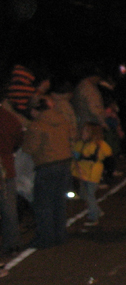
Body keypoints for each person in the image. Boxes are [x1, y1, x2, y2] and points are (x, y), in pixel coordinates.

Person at [22, 78, 78, 249]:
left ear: (34, 110)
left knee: (43, 204)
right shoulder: (62, 120)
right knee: (59, 203)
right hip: (64, 163)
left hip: (47, 166)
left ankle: (45, 238)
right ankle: (60, 235)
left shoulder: (37, 126)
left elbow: (29, 149)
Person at [71, 122, 113, 227]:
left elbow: (108, 155)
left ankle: (94, 217)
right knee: (83, 193)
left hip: (92, 174)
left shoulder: (99, 145)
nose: (83, 133)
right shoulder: (80, 143)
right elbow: (75, 154)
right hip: (82, 173)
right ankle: (97, 210)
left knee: (90, 195)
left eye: (86, 131)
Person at [0, 98, 25, 255]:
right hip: (6, 166)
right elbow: (18, 138)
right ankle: (12, 244)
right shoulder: (9, 117)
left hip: (5, 166)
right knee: (8, 208)